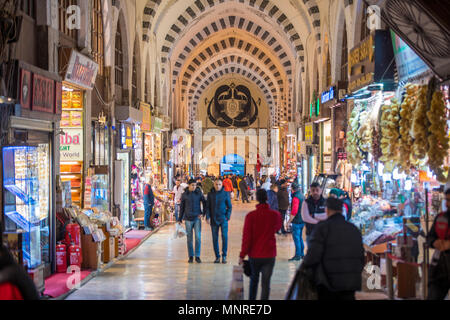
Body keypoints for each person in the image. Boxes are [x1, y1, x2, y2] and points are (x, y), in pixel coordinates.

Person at [300, 197, 365, 300]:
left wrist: (306, 269)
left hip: (328, 282)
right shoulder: (353, 229)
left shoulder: (322, 228)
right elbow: (361, 257)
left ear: (327, 210)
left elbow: (313, 256)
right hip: (350, 282)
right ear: (341, 209)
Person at [239, 189, 282, 300]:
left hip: (254, 254)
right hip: (269, 254)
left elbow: (246, 238)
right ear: (267, 198)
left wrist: (242, 255)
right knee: (266, 284)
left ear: (257, 199)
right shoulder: (275, 215)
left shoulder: (251, 216)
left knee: (254, 281)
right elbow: (277, 227)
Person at [426, 188, 450, 300]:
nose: (447, 203)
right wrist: (434, 242)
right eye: (446, 200)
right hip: (440, 267)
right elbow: (429, 237)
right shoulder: (440, 217)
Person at [178, 179, 207, 263]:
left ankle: (197, 256)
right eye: (192, 185)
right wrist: (179, 219)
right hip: (187, 219)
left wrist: (203, 213)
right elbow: (182, 207)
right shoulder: (184, 195)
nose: (194, 187)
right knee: (189, 239)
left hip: (197, 219)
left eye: (195, 185)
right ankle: (191, 256)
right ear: (189, 185)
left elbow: (205, 203)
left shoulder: (199, 193)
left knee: (198, 238)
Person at [206, 179, 232, 264]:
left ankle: (224, 256)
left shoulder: (225, 194)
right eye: (216, 184)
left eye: (219, 184)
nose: (218, 186)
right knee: (215, 238)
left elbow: (229, 207)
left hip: (223, 219)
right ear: (214, 185)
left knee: (224, 237)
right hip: (213, 219)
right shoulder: (210, 194)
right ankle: (217, 256)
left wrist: (227, 217)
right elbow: (208, 207)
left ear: (222, 185)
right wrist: (208, 217)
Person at [301, 182, 327, 248]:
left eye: (317, 190)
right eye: (313, 190)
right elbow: (305, 217)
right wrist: (320, 221)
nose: (315, 192)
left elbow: (327, 215)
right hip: (310, 233)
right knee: (311, 254)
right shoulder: (306, 202)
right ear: (310, 191)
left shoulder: (326, 202)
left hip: (323, 234)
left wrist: (313, 216)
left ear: (321, 190)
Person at [287, 183, 305, 261]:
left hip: (297, 221)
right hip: (302, 220)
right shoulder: (302, 195)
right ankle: (302, 254)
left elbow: (294, 211)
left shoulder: (296, 198)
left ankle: (297, 255)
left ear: (292, 189)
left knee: (297, 238)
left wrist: (289, 221)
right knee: (300, 238)